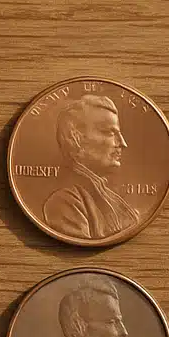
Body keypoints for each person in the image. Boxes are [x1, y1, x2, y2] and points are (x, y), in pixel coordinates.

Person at [42, 94, 141, 241]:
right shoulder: (65, 202)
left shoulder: (110, 197)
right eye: (109, 132)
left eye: (119, 134)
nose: (122, 143)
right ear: (76, 138)